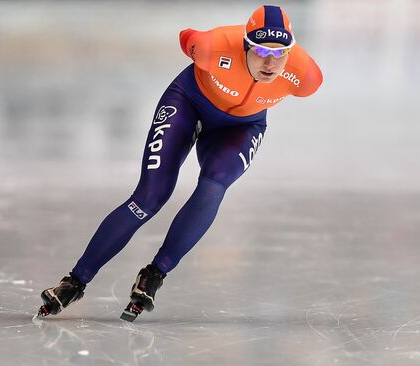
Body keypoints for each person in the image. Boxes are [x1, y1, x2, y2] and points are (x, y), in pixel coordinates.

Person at [37, 5, 323, 321]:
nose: (271, 63)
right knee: (149, 198)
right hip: (188, 103)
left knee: (214, 185)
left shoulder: (305, 75)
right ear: (244, 45)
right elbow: (186, 37)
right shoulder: (214, 45)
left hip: (242, 127)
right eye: (260, 50)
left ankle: (155, 274)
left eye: (280, 53)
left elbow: (296, 72)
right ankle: (75, 281)